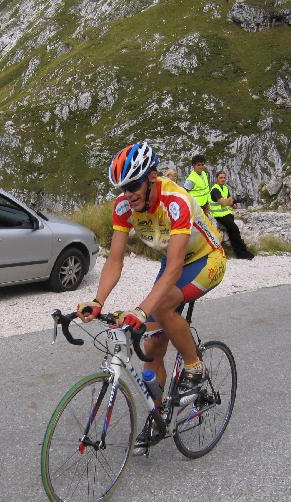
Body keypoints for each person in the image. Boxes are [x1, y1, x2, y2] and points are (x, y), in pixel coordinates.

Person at [77, 142, 226, 449]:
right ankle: (156, 416)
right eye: (122, 188)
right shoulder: (124, 207)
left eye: (133, 185)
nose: (127, 194)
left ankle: (194, 366)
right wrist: (98, 301)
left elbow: (175, 267)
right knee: (151, 345)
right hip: (172, 262)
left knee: (164, 305)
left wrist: (141, 311)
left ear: (152, 178)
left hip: (206, 259)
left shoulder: (176, 201)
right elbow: (115, 259)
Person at [210, 170, 254, 260]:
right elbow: (223, 202)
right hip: (219, 215)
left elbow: (230, 202)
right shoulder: (215, 190)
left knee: (233, 232)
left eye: (224, 178)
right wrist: (229, 201)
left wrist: (230, 202)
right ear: (216, 179)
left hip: (227, 214)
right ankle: (241, 253)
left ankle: (242, 251)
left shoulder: (225, 188)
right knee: (235, 229)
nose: (223, 179)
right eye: (221, 178)